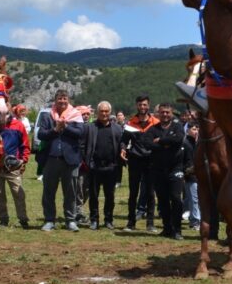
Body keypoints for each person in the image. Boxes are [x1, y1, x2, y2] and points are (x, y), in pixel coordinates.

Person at [37, 90, 85, 232]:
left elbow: (80, 133)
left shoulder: (76, 115)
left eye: (64, 99)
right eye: (59, 99)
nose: (62, 101)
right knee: (48, 192)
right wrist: (55, 129)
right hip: (51, 159)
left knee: (70, 192)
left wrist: (65, 127)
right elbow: (41, 134)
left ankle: (70, 220)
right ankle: (49, 220)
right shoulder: (46, 115)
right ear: (55, 100)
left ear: (68, 100)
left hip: (70, 160)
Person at [80, 101, 124, 230]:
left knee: (110, 196)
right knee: (93, 195)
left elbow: (121, 143)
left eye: (106, 111)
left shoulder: (116, 128)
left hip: (111, 167)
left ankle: (108, 220)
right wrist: (87, 160)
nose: (104, 114)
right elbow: (82, 145)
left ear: (110, 112)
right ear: (98, 112)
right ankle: (94, 220)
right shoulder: (90, 127)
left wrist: (123, 149)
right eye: (101, 111)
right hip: (94, 167)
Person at [147, 104, 186, 239]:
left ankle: (177, 229)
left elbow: (179, 139)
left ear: (171, 113)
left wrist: (161, 141)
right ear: (158, 113)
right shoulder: (153, 129)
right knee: (162, 200)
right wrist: (167, 144)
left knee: (176, 198)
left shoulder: (178, 127)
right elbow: (147, 142)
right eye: (162, 112)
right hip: (158, 169)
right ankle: (167, 228)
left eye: (167, 112)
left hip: (175, 168)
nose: (165, 115)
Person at [123, 95, 159, 232]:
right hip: (135, 161)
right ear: (136, 106)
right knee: (133, 192)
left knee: (150, 193)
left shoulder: (155, 122)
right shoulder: (131, 123)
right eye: (140, 105)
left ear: (148, 105)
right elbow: (124, 140)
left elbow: (160, 140)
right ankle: (131, 222)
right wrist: (122, 149)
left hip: (151, 161)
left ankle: (150, 223)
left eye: (144, 104)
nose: (142, 107)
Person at [0, 103, 31, 228]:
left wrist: (23, 161)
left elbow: (25, 145)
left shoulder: (18, 125)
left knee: (18, 193)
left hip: (13, 166)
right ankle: (3, 220)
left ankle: (23, 219)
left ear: (10, 110)